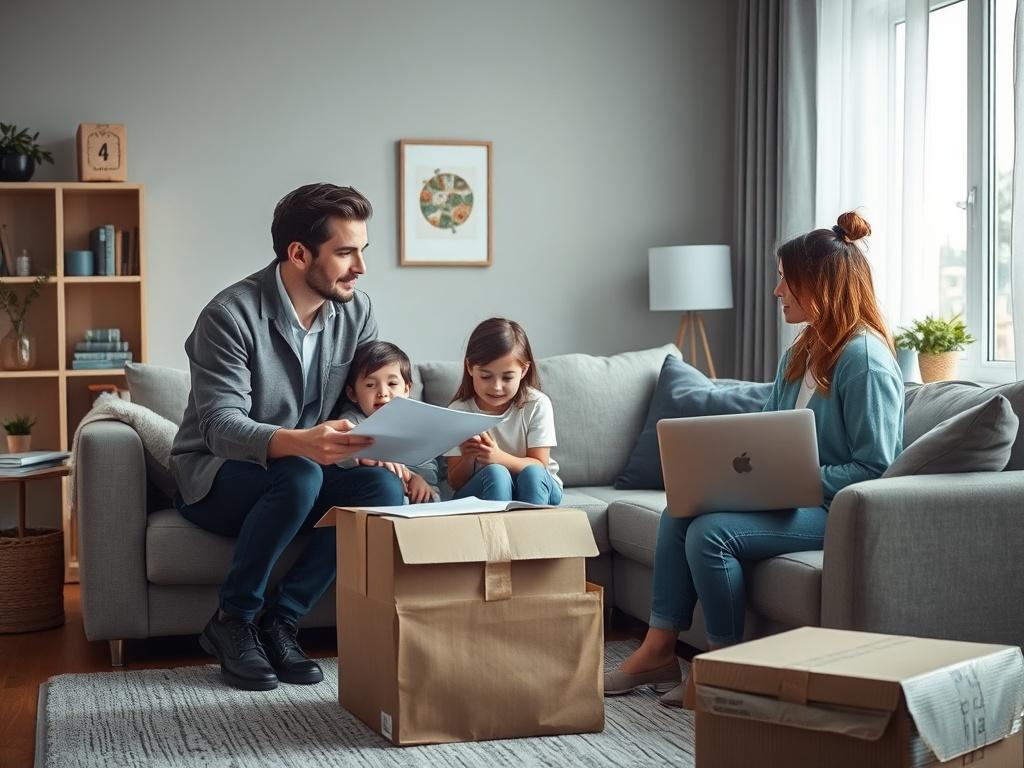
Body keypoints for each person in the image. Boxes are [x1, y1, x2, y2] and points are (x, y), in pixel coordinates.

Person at [604, 211, 904, 706]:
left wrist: (792, 480)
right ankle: (659, 649)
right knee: (680, 512)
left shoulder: (864, 360)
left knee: (711, 532)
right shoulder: (802, 352)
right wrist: (730, 475)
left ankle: (726, 671)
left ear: (818, 286)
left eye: (785, 281)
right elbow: (762, 436)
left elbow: (876, 469)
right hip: (791, 496)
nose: (776, 292)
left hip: (838, 510)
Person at [170, 183, 406, 692]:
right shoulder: (228, 316)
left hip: (307, 469)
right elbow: (218, 425)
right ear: (299, 254)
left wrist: (369, 443)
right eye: (345, 253)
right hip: (215, 478)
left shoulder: (357, 311)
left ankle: (281, 622)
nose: (360, 267)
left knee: (383, 491)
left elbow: (354, 399)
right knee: (300, 472)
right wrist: (301, 442)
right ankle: (233, 621)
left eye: (362, 251)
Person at [445, 317, 563, 505]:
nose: (496, 387)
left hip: (538, 485)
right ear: (469, 367)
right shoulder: (458, 411)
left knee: (531, 473)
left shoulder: (537, 404)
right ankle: (497, 534)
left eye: (507, 378)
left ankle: (532, 530)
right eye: (486, 376)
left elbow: (540, 465)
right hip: (488, 486)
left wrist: (498, 457)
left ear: (523, 371)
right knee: (496, 473)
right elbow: (456, 483)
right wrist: (468, 459)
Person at [338, 340, 440, 503]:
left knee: (433, 499)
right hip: (378, 493)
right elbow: (340, 456)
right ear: (352, 394)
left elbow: (429, 470)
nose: (383, 393)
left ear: (407, 389)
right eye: (370, 385)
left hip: (419, 497)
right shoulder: (351, 421)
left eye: (392, 384)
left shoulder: (417, 425)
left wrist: (421, 481)